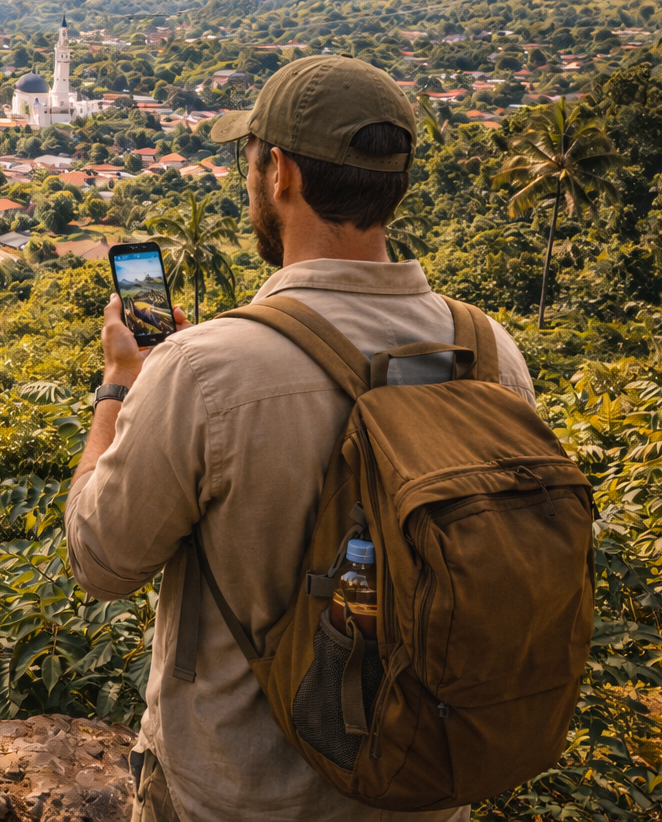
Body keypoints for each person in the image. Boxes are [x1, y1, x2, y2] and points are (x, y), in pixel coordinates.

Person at [66, 56, 536, 822]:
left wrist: (121, 383)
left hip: (234, 793)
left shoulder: (204, 369)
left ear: (278, 172)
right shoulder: (489, 352)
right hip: (421, 788)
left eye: (248, 159)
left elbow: (99, 560)